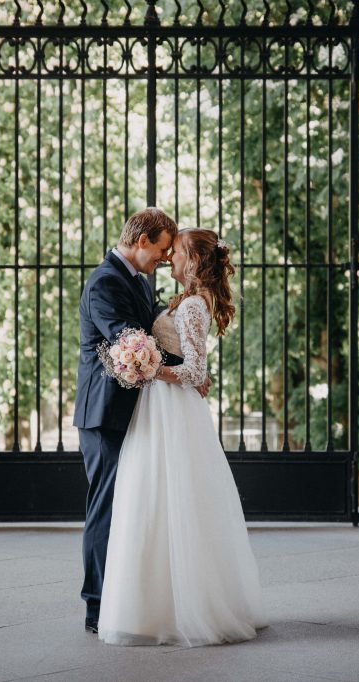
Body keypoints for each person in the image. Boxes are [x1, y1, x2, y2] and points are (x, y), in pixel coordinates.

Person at [98, 227, 268, 647]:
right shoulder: (184, 301)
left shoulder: (193, 306)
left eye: (175, 253)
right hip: (160, 407)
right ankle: (156, 604)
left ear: (191, 262)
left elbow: (195, 372)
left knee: (171, 504)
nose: (168, 258)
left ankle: (182, 608)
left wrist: (147, 369)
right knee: (153, 504)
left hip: (170, 409)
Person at [73, 208, 210, 635]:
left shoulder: (135, 280)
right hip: (106, 414)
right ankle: (97, 606)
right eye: (163, 249)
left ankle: (130, 599)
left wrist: (192, 369)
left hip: (137, 412)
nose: (166, 259)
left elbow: (159, 337)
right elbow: (130, 343)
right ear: (143, 240)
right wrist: (185, 371)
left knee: (134, 509)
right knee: (108, 508)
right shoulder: (105, 282)